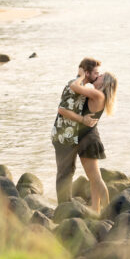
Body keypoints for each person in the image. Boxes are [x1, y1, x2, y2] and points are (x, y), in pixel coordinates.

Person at [57, 69, 118, 213]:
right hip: (88, 138)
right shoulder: (98, 94)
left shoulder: (98, 94)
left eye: (101, 76)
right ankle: (96, 210)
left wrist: (82, 76)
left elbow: (74, 86)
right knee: (94, 179)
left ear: (105, 82)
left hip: (88, 140)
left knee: (96, 179)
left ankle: (108, 211)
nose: (98, 75)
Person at [51, 57, 101, 204]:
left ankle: (66, 204)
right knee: (64, 173)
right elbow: (62, 109)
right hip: (63, 136)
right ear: (87, 73)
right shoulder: (72, 86)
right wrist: (83, 120)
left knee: (68, 172)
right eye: (96, 73)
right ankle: (63, 207)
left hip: (70, 136)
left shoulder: (81, 87)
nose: (98, 76)